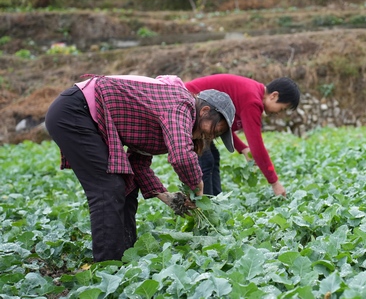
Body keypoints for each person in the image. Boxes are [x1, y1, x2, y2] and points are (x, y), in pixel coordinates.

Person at [45, 74, 236, 262]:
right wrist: (197, 186)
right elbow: (181, 156)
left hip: (85, 116)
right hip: (75, 111)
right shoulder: (181, 104)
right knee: (108, 188)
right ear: (205, 111)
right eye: (217, 128)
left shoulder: (170, 115)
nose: (212, 135)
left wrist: (167, 197)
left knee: (125, 184)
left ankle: (125, 252)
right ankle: (108, 265)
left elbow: (138, 164)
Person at [184, 74, 300, 197]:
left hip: (200, 114)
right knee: (206, 161)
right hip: (189, 106)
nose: (278, 113)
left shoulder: (253, 93)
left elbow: (221, 128)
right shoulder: (253, 101)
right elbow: (257, 146)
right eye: (281, 109)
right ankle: (204, 205)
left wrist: (243, 148)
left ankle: (215, 200)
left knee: (213, 157)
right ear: (274, 96)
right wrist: (275, 183)